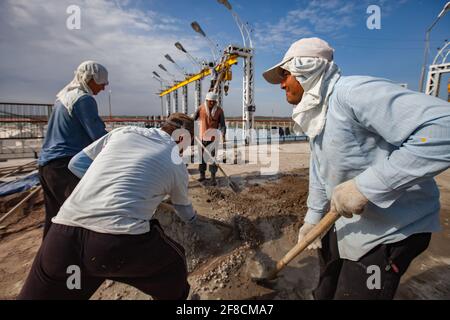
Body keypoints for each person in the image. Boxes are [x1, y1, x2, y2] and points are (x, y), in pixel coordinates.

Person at [263, 37, 450, 299]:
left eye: (285, 74)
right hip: (343, 221)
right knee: (325, 288)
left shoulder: (352, 93)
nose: (282, 83)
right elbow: (320, 168)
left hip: (390, 229)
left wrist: (367, 186)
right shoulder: (318, 111)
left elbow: (444, 128)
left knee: (353, 292)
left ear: (306, 68)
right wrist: (312, 217)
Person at [19, 113, 197, 300]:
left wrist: (107, 183)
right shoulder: (176, 164)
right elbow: (183, 209)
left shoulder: (123, 132)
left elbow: (76, 164)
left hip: (62, 237)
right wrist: (194, 220)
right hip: (115, 242)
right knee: (174, 265)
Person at [38, 61, 108, 237]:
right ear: (90, 78)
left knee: (55, 218)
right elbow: (98, 135)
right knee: (82, 216)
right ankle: (78, 259)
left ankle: (47, 262)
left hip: (48, 166)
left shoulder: (63, 98)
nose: (103, 88)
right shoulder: (84, 100)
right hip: (65, 166)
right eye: (102, 83)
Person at [194, 91, 226, 185]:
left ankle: (213, 177)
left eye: (214, 101)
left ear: (216, 102)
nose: (212, 103)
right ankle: (202, 176)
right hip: (201, 138)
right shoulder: (200, 108)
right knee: (201, 158)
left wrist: (223, 134)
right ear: (206, 100)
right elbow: (193, 120)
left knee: (213, 159)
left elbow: (222, 125)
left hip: (213, 139)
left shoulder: (219, 111)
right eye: (210, 101)